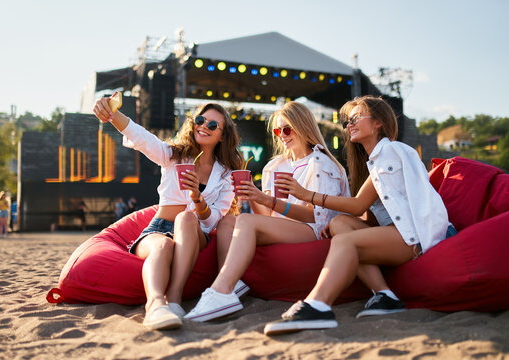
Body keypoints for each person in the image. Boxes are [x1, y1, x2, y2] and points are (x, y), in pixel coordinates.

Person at [263, 95, 456, 335]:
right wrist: (335, 221)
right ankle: (384, 294)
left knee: (345, 239)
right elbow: (374, 215)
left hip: (415, 235)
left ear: (378, 123)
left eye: (356, 118)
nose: (349, 125)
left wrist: (307, 195)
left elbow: (357, 204)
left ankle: (318, 304)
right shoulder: (372, 161)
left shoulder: (391, 150)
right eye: (347, 121)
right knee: (339, 223)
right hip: (398, 232)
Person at [185, 101, 350, 322]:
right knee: (229, 222)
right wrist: (252, 197)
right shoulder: (275, 166)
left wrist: (267, 200)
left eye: (287, 129)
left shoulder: (321, 164)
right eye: (277, 130)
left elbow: (317, 217)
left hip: (313, 230)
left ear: (303, 127)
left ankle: (221, 290)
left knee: (245, 221)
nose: (282, 135)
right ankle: (231, 285)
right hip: (286, 228)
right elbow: (268, 220)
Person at [93, 99, 243, 330]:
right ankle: (155, 306)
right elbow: (141, 137)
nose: (203, 126)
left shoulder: (225, 175)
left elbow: (213, 220)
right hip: (159, 226)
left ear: (222, 136)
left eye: (212, 125)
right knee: (163, 246)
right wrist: (113, 114)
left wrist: (197, 197)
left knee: (186, 217)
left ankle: (174, 298)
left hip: (195, 231)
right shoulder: (173, 154)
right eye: (200, 120)